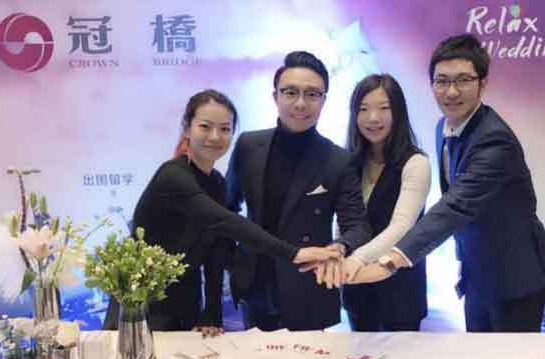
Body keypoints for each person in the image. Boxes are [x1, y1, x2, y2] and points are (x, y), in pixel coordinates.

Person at [343, 34, 545, 332]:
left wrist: (390, 262)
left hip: (514, 278)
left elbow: (455, 206)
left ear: (482, 83)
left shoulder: (494, 140)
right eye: (442, 81)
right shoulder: (445, 127)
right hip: (477, 275)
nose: (451, 91)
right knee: (477, 355)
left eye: (463, 80)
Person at [103, 89, 339, 335]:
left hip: (187, 303)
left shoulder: (216, 181)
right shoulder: (172, 175)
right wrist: (294, 253)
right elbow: (225, 221)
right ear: (187, 128)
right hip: (142, 302)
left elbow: (216, 248)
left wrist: (212, 312)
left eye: (225, 129)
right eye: (205, 127)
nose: (215, 137)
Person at [225, 51, 372, 331]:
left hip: (309, 286)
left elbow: (358, 225)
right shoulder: (248, 145)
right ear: (275, 96)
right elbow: (225, 209)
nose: (301, 103)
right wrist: (235, 260)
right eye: (291, 92)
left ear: (324, 100)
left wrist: (339, 247)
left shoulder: (338, 160)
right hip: (255, 285)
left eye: (312, 94)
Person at [319, 74, 430, 332]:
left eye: (384, 108)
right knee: (360, 353)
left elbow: (401, 227)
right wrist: (339, 251)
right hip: (356, 289)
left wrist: (356, 259)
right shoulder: (349, 162)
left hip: (400, 291)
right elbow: (344, 221)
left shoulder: (416, 163)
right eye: (363, 109)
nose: (373, 118)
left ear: (398, 112)